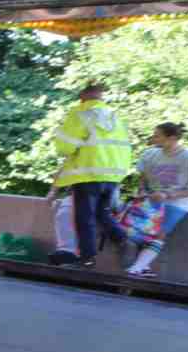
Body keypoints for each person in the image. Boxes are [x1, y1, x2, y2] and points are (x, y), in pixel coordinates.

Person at [46, 82, 131, 267]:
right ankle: (121, 237)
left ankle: (86, 259)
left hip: (88, 174)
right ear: (101, 96)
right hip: (112, 176)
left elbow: (65, 147)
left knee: (83, 218)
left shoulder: (81, 113)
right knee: (101, 212)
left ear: (82, 96)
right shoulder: (114, 116)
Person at [122, 122, 188, 278]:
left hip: (176, 203)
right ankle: (144, 267)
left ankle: (137, 269)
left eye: (157, 136)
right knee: (136, 232)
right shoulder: (149, 154)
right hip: (150, 201)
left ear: (172, 138)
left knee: (159, 233)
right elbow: (143, 179)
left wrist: (168, 195)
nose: (153, 138)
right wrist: (142, 192)